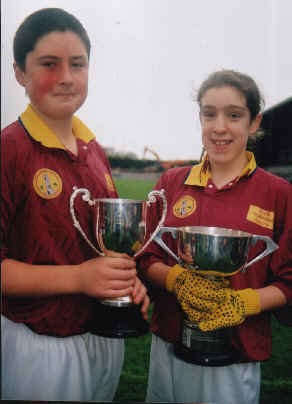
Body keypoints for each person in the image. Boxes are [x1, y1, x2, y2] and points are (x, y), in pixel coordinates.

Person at [1, 8, 150, 402]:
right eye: (50, 64)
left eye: (78, 64)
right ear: (20, 72)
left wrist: (125, 282)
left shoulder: (94, 151)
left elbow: (109, 248)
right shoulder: (9, 150)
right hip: (40, 344)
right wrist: (80, 279)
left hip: (102, 338)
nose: (67, 77)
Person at [138, 69, 292, 404]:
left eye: (234, 115)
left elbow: (289, 280)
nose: (219, 127)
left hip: (233, 361)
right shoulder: (170, 184)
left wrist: (243, 303)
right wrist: (176, 279)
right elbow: (145, 258)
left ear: (254, 123)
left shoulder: (279, 193)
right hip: (167, 347)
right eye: (209, 114)